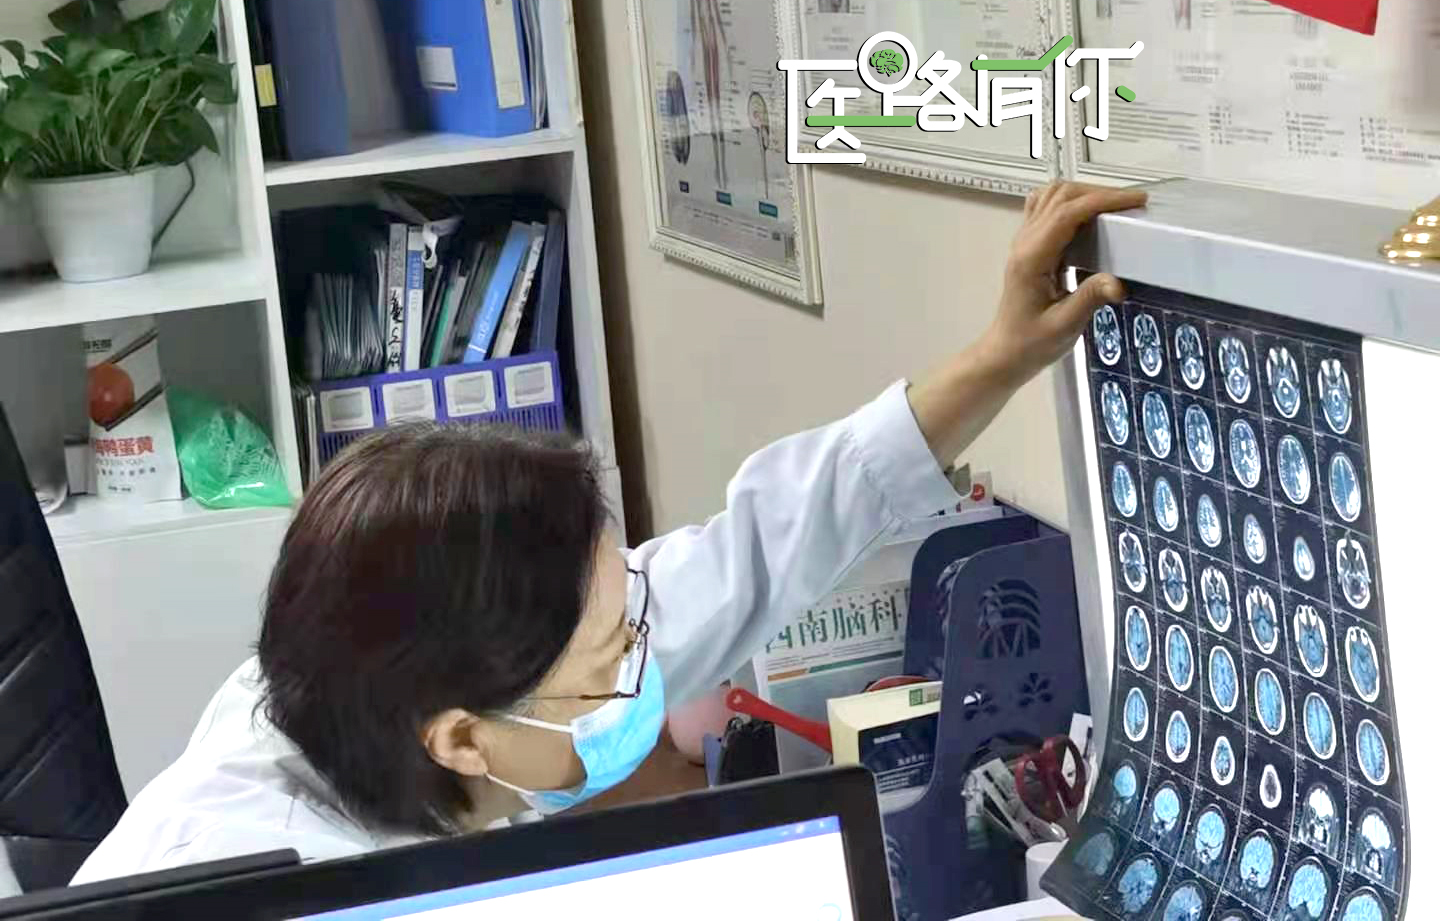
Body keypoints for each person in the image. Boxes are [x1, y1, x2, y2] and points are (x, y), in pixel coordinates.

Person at [72, 182, 1146, 884]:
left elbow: (762, 543)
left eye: (628, 619)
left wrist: (1002, 355)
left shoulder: (398, 669)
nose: (645, 654)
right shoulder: (264, 874)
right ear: (462, 739)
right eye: (610, 661)